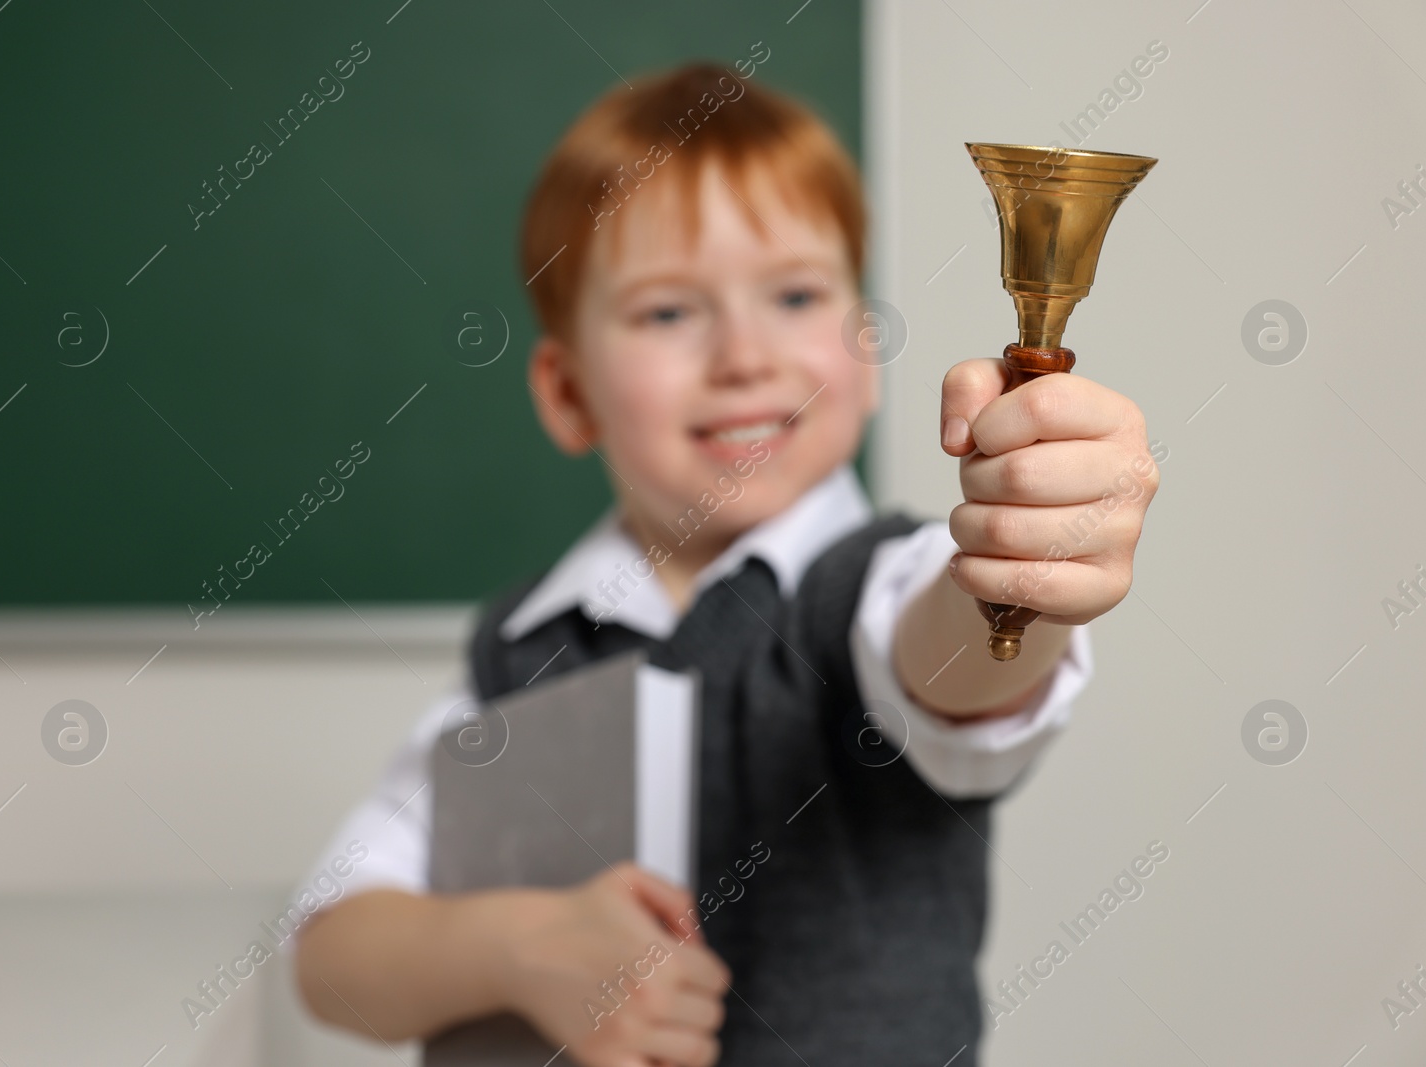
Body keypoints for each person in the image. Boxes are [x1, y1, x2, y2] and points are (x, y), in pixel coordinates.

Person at [293, 60, 1158, 1067]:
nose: (746, 355)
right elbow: (331, 948)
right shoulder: (522, 644)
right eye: (668, 312)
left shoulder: (880, 582)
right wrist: (520, 950)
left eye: (795, 294)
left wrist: (1022, 570)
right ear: (567, 391)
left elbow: (956, 658)